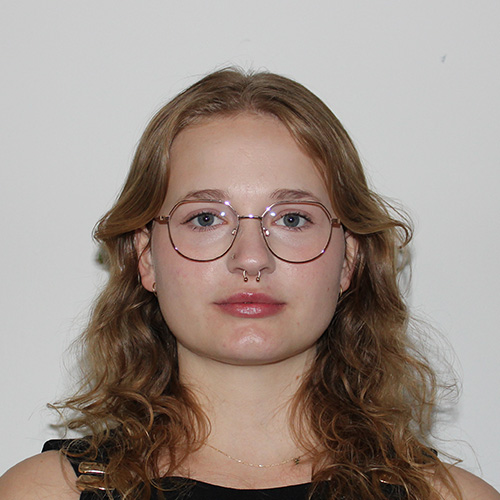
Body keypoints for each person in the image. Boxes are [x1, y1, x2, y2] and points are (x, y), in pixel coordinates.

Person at [0, 68, 498, 500]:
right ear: (145, 258)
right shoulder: (45, 493)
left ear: (349, 260)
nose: (252, 258)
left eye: (293, 219)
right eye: (205, 218)